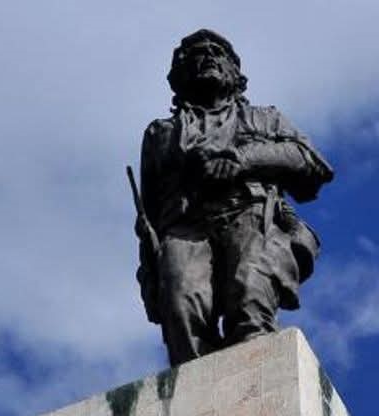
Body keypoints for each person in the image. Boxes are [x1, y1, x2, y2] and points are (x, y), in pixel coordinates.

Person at [137, 29, 334, 366]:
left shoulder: (264, 118)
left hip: (249, 215)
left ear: (234, 72)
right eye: (198, 53)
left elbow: (312, 163)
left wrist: (244, 159)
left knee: (250, 302)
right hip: (185, 227)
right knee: (181, 306)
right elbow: (151, 208)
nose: (209, 57)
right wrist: (150, 269)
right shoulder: (161, 134)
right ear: (179, 75)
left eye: (218, 52)